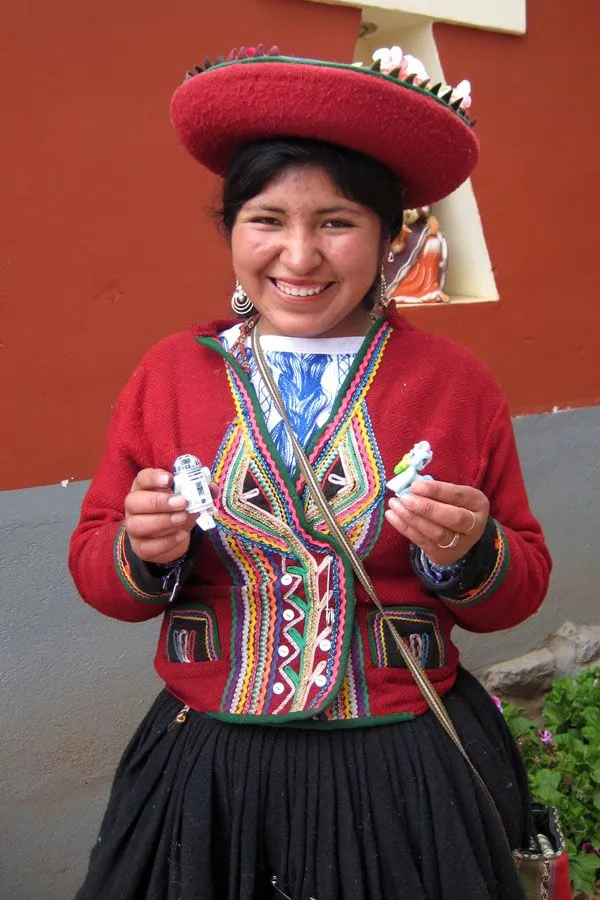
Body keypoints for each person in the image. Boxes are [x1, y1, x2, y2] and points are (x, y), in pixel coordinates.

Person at [69, 42, 552, 900]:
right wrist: (141, 549)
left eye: (336, 222)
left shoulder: (455, 384)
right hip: (211, 772)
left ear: (391, 240)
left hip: (402, 769)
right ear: (230, 229)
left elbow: (518, 588)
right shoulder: (169, 375)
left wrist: (469, 551)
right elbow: (99, 569)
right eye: (266, 220)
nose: (298, 257)